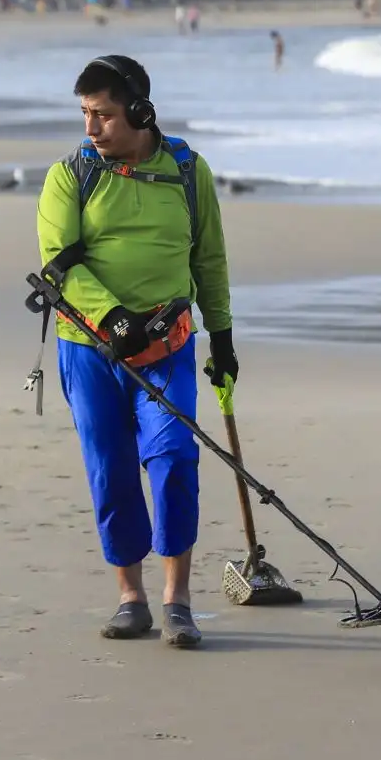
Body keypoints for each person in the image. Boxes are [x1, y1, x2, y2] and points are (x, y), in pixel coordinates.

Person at [36, 55, 236, 649]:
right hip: (89, 350)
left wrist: (222, 337)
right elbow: (57, 264)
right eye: (84, 114)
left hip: (168, 345)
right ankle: (131, 598)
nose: (91, 128)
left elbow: (209, 259)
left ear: (141, 112)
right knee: (111, 468)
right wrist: (113, 319)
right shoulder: (70, 175)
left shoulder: (188, 171)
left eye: (103, 114)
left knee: (174, 459)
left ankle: (178, 600)